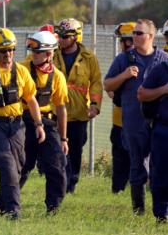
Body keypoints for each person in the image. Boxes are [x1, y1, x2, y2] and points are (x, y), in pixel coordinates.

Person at [0, 28, 44, 219]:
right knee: (7, 163)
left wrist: (39, 125)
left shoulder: (21, 72)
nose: (8, 55)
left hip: (17, 124)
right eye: (3, 51)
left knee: (19, 166)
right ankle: (14, 210)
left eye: (11, 50)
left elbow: (32, 100)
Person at [105, 19, 168, 215]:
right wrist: (123, 76)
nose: (135, 36)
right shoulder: (124, 59)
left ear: (150, 36)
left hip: (159, 120)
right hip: (133, 120)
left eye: (139, 33)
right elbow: (107, 85)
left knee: (159, 164)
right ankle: (138, 209)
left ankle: (160, 208)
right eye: (134, 33)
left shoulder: (163, 59)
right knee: (137, 163)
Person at [18, 31, 69, 215]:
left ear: (49, 54)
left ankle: (53, 207)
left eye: (37, 52)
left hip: (47, 123)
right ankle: (6, 202)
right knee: (21, 166)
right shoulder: (21, 68)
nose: (33, 55)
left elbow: (61, 108)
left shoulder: (58, 77)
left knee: (56, 165)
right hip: (23, 122)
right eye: (31, 50)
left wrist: (63, 139)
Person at [53, 18, 102, 193]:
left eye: (65, 36)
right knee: (56, 149)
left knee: (75, 149)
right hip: (55, 112)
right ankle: (60, 182)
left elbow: (96, 83)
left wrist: (95, 105)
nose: (61, 39)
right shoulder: (52, 55)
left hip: (79, 113)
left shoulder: (89, 59)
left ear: (76, 37)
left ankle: (71, 182)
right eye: (59, 35)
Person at [138, 58, 168, 224]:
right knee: (161, 174)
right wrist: (164, 90)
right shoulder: (161, 70)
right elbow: (141, 94)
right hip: (163, 129)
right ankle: (162, 215)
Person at [106, 22, 135, 194]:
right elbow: (108, 87)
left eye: (122, 40)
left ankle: (133, 188)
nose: (121, 44)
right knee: (119, 157)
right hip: (119, 119)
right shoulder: (121, 61)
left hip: (136, 121)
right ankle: (118, 189)